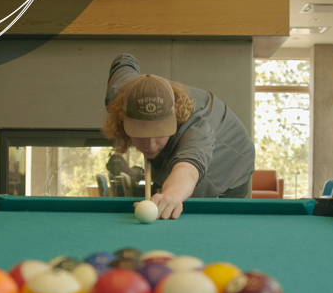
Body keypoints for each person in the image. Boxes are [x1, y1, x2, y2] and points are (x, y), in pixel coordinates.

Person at [101, 54, 255, 220]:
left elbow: (187, 171)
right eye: (140, 133)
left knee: (181, 211)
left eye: (159, 132)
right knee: (161, 202)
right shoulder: (120, 96)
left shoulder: (195, 126)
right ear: (123, 120)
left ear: (175, 120)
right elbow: (124, 61)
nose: (150, 144)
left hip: (229, 161)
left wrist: (172, 195)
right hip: (179, 157)